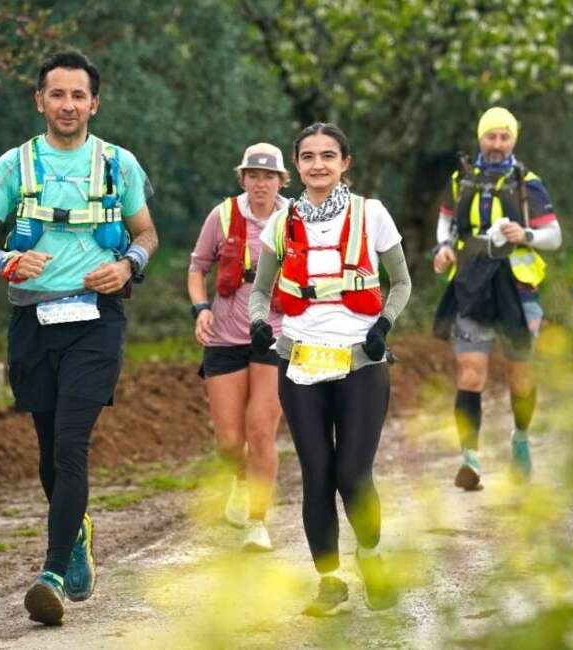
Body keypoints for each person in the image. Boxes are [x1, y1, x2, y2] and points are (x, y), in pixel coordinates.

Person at [0, 51, 157, 625]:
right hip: (32, 320)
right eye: (57, 94)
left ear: (94, 104)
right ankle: (77, 536)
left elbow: (147, 233)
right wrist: (4, 261)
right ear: (39, 101)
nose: (68, 105)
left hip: (98, 318)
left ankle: (49, 572)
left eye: (78, 96)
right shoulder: (11, 167)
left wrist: (129, 266)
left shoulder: (119, 165)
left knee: (72, 442)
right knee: (49, 450)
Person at [249, 122, 412, 616]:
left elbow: (401, 282)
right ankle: (330, 582)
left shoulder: (372, 214)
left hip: (361, 361)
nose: (317, 165)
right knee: (317, 473)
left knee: (353, 473)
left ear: (345, 163)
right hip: (300, 361)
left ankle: (372, 555)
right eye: (307, 157)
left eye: (328, 156)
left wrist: (383, 325)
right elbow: (260, 291)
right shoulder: (281, 222)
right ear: (296, 166)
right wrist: (260, 323)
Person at [432, 107, 562, 490]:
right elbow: (444, 221)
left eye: (504, 137)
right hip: (471, 287)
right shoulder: (461, 179)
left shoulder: (528, 183)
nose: (497, 144)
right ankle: (469, 461)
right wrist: (442, 248)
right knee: (470, 374)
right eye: (491, 136)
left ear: (514, 141)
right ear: (480, 138)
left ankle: (520, 438)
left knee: (520, 376)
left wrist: (526, 235)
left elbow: (554, 236)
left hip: (519, 290)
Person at [187, 143, 288, 552]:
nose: (260, 183)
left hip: (278, 333)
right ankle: (241, 479)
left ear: (281, 181)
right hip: (225, 335)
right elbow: (198, 267)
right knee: (230, 442)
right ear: (243, 178)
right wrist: (199, 309)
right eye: (253, 175)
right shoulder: (223, 215)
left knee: (261, 431)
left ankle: (257, 521)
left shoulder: (295, 218)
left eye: (269, 176)